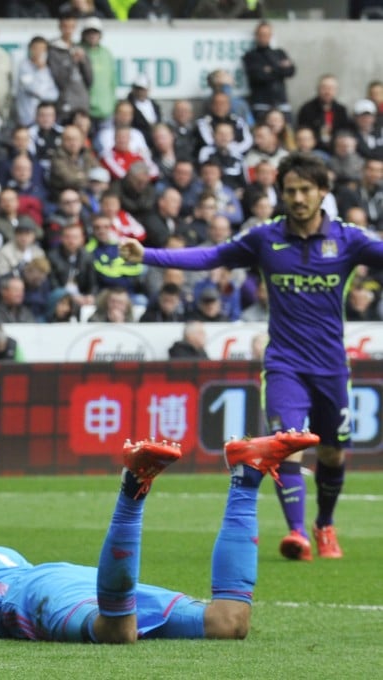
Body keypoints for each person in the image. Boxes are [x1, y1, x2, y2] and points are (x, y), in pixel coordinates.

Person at [120, 152, 383, 563]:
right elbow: (211, 256)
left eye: (305, 190)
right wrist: (148, 255)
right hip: (284, 364)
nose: (297, 198)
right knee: (286, 444)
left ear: (322, 193)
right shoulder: (265, 238)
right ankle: (297, 533)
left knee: (333, 454)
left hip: (332, 366)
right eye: (290, 190)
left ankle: (324, 524)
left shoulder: (347, 239)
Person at [0, 432, 319, 643]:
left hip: (32, 596)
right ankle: (247, 471)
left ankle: (133, 486)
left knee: (116, 633)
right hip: (62, 579)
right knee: (229, 623)